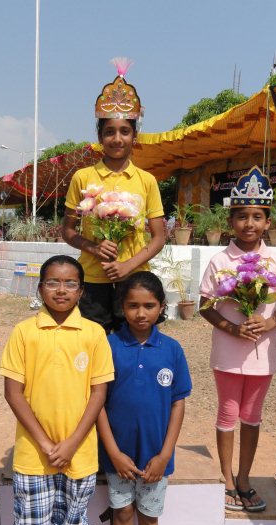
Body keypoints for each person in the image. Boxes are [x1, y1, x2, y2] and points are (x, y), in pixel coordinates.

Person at [0, 255, 115, 525]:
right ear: (40, 289)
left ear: (81, 291)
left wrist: (72, 443)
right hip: (34, 455)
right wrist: (45, 443)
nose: (61, 290)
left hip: (79, 454)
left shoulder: (94, 333)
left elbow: (99, 393)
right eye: (52, 282)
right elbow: (13, 393)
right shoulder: (24, 332)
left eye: (69, 283)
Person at [199, 166, 276, 512]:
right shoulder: (220, 260)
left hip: (261, 354)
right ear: (230, 221)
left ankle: (244, 479)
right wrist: (232, 328)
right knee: (228, 413)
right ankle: (227, 479)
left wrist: (268, 324)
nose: (249, 224)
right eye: (241, 217)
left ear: (268, 222)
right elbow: (205, 306)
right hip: (228, 352)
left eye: (257, 217)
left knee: (252, 415)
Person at [97, 271, 191, 525]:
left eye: (149, 306)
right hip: (118, 455)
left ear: (161, 307)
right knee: (123, 512)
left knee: (149, 516)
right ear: (122, 307)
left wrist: (164, 455)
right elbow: (98, 404)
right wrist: (113, 452)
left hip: (156, 456)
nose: (140, 313)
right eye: (133, 305)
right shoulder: (108, 346)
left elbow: (178, 403)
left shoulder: (172, 349)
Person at [62, 58, 165, 332]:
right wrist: (94, 248)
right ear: (100, 137)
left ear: (135, 136)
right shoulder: (83, 177)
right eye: (109, 132)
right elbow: (68, 231)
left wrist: (127, 265)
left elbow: (159, 237)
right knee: (93, 344)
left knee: (132, 344)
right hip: (93, 278)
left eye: (124, 131)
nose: (117, 139)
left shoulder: (147, 181)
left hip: (134, 279)